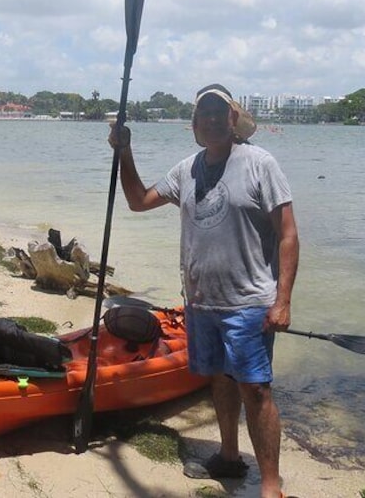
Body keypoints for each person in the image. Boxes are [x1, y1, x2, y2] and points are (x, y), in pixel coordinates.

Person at [108, 83, 298, 498]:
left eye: (219, 112)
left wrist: (282, 301)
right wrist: (124, 152)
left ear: (233, 120)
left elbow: (287, 234)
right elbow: (138, 201)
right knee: (220, 383)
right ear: (194, 125)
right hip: (200, 303)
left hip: (249, 303)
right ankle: (229, 457)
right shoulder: (186, 170)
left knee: (257, 391)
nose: (211, 119)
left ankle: (270, 486)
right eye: (203, 114)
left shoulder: (259, 164)